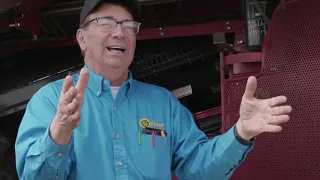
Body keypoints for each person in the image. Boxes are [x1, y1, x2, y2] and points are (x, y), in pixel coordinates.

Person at [15, 0, 292, 179]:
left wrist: (241, 133)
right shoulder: (51, 102)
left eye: (128, 25)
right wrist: (59, 132)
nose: (119, 32)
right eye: (106, 23)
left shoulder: (162, 103)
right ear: (81, 38)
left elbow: (199, 169)